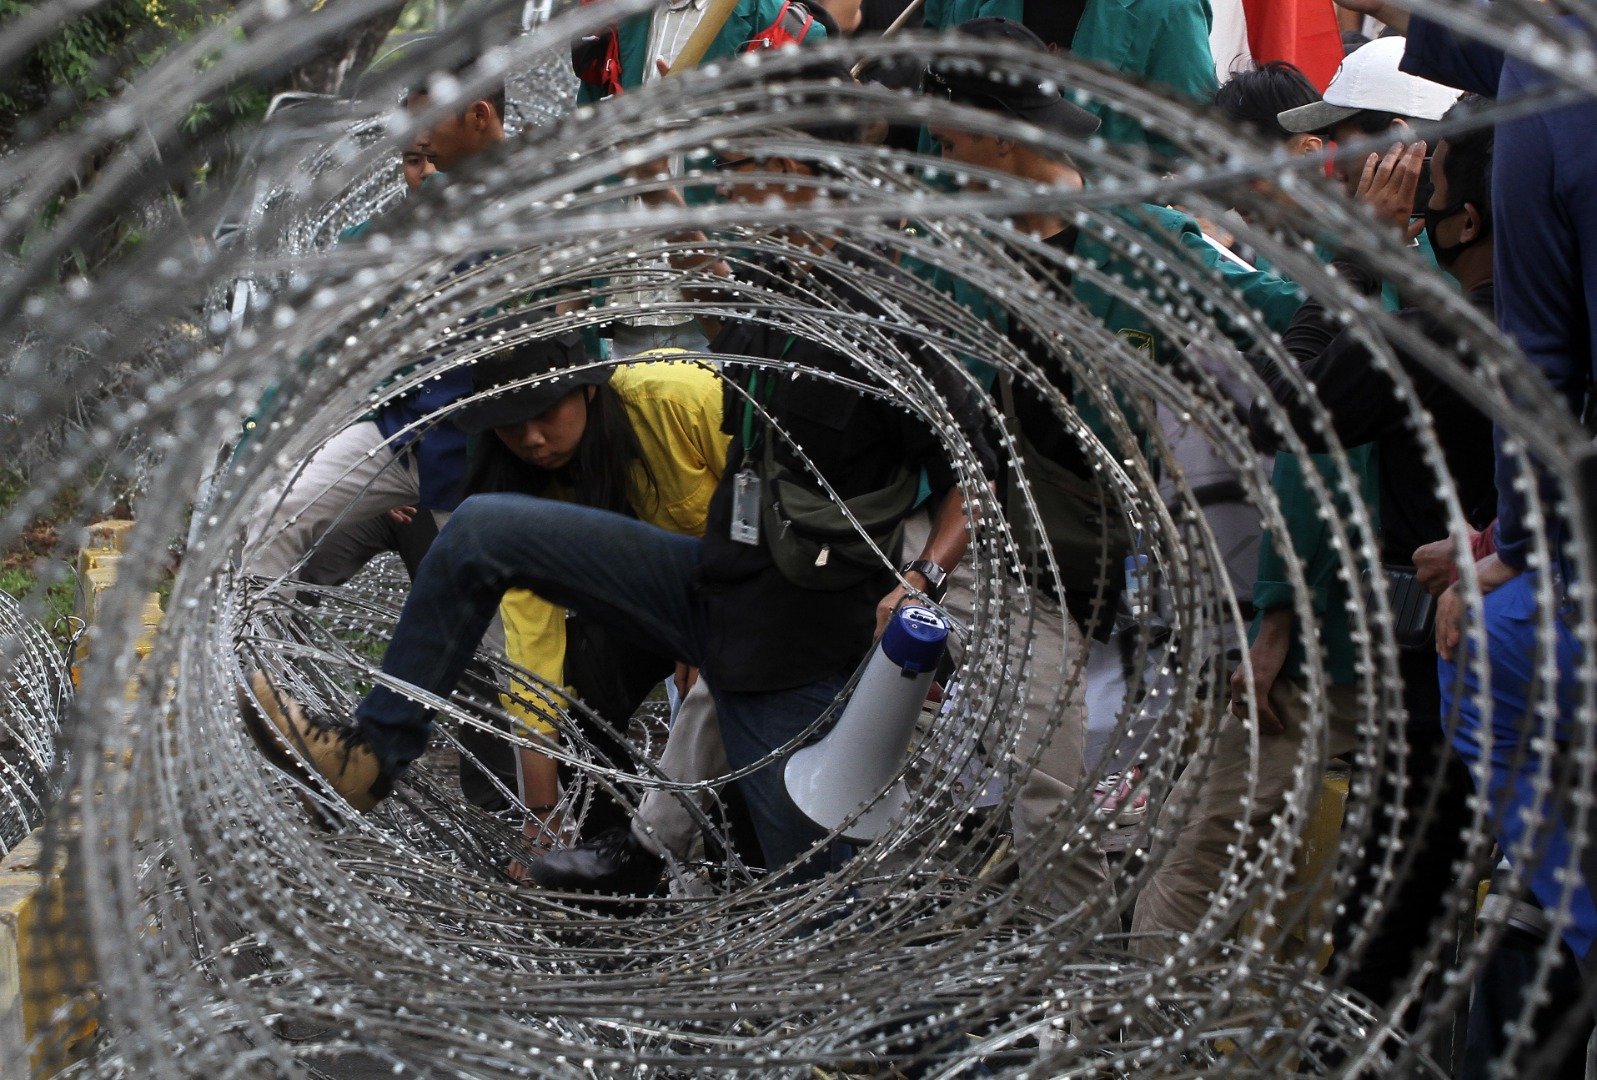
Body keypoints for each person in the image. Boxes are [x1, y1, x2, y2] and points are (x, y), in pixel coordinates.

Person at [245, 88, 993, 890]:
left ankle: (781, 945)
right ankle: (370, 757)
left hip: (794, 635)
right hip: (711, 584)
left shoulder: (889, 318)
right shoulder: (779, 293)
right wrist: (651, 182)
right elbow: (707, 291)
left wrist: (924, 578)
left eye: (736, 171)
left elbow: (974, 477)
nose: (729, 189)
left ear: (790, 170)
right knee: (480, 533)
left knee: (811, 878)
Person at [920, 17, 1306, 912]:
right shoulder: (964, 261)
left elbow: (1281, 308)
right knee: (1042, 791)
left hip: (1156, 570)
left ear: (997, 131)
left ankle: (1096, 997)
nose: (940, 165)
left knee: (1149, 818)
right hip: (1031, 564)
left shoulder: (1145, 238)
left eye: (947, 141)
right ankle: (1072, 997)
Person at [1245, 101, 1499, 1016]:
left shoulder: (1455, 330)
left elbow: (1284, 407)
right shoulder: (1534, 318)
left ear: (1463, 221)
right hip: (1469, 654)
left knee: (1386, 931)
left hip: (1444, 666)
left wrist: (1356, 256)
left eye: (1417, 189)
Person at [438, 335, 731, 872]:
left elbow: (774, 517)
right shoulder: (519, 493)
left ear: (588, 391)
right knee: (582, 695)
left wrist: (710, 621)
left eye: (546, 410)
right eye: (509, 422)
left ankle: (729, 856)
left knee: (736, 706)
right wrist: (543, 816)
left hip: (763, 592)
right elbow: (533, 655)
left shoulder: (680, 400)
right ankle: (612, 863)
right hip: (657, 605)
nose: (531, 438)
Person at [241, 78, 507, 585]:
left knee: (492, 629)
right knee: (278, 510)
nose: (423, 150)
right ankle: (259, 660)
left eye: (429, 125)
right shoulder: (381, 241)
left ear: (477, 116)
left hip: (486, 453)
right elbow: (321, 352)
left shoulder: (529, 205)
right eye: (410, 151)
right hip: (403, 436)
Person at [922, 0, 1218, 154]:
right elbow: (937, 127)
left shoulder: (1169, 9)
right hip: (974, 230)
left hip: (1097, 243)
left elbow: (1188, 151)